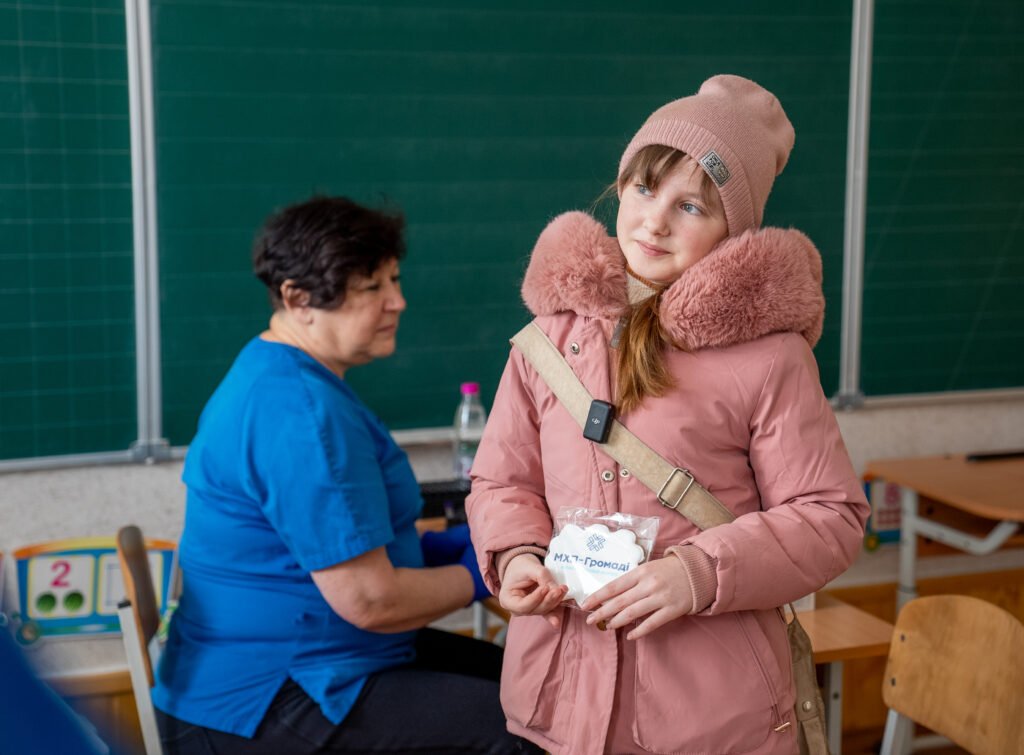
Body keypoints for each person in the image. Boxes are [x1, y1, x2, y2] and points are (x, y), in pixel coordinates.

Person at [466, 75, 870, 755]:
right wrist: (516, 556)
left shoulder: (771, 356)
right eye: (644, 189)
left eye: (691, 206)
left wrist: (698, 573)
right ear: (620, 187)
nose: (655, 221)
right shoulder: (548, 340)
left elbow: (830, 516)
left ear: (733, 230)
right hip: (561, 700)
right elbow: (503, 481)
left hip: (710, 720)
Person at [151, 196, 538, 754]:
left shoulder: (283, 374)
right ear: (298, 299)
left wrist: (470, 544)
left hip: (312, 663)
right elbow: (373, 601)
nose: (398, 301)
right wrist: (489, 572)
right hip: (264, 701)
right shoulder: (299, 412)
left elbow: (357, 544)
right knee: (528, 730)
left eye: (394, 280)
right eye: (371, 287)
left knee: (534, 688)